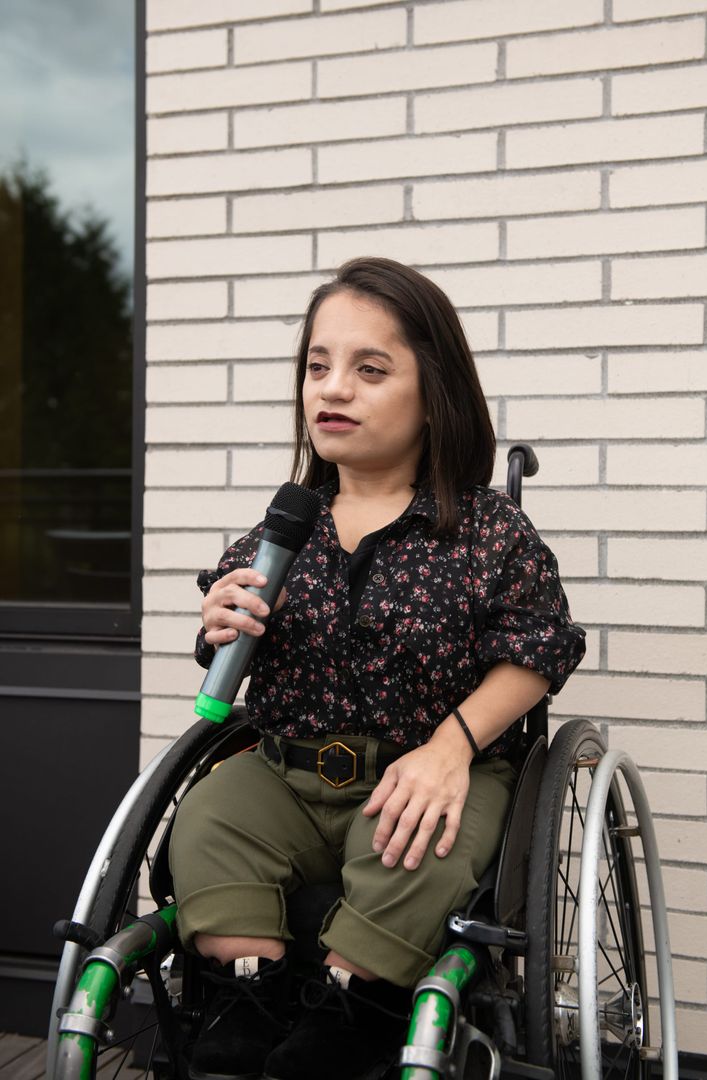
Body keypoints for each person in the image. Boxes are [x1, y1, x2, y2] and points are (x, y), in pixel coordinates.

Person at [169, 257, 586, 1080]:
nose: (334, 389)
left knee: (415, 845)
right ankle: (246, 999)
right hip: (287, 773)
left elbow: (538, 650)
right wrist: (220, 623)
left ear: (434, 395)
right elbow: (232, 653)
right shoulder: (277, 533)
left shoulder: (483, 534)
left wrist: (451, 746)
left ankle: (354, 1007)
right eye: (318, 367)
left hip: (426, 771)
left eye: (369, 369)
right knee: (210, 816)